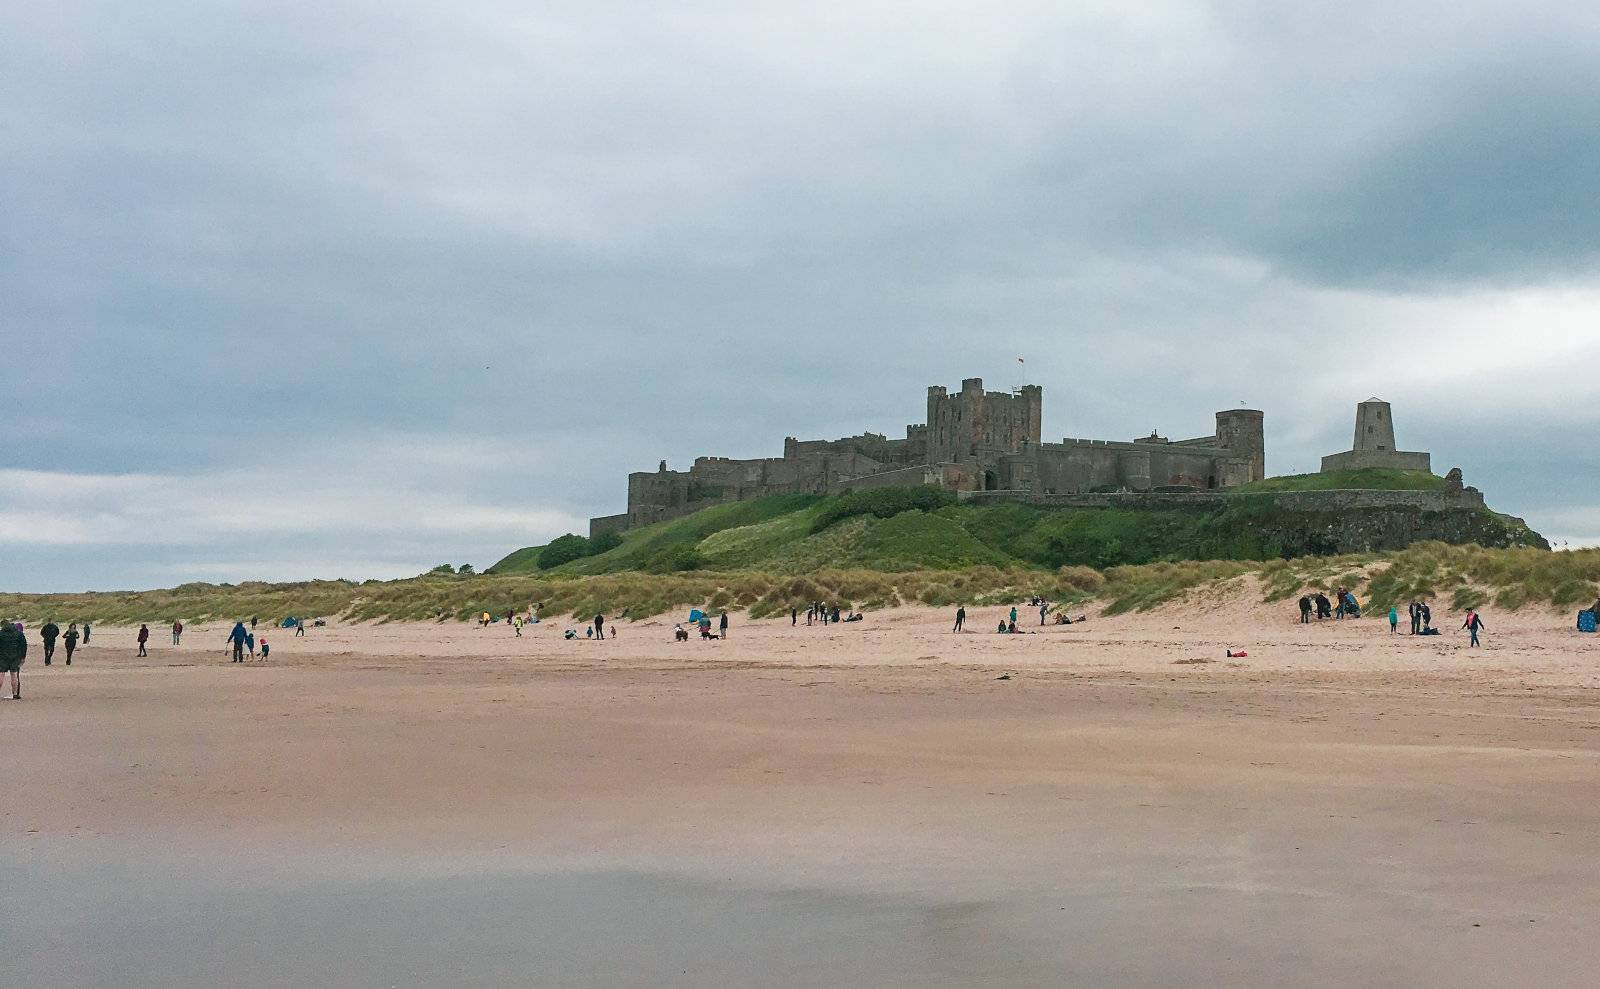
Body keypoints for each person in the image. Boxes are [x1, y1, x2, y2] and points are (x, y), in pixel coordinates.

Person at [0, 619, 25, 699]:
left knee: (1, 675)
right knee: (14, 675)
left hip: (2, 657)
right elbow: (23, 645)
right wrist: (23, 656)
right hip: (15, 656)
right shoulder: (18, 633)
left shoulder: (1, 634)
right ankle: (15, 694)